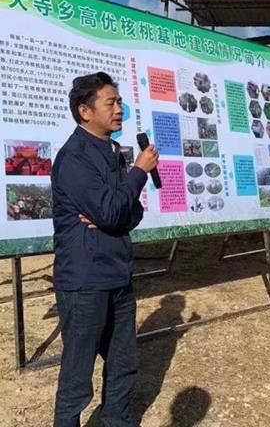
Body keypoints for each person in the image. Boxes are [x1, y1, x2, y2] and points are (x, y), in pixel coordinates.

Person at [51, 72, 159, 427]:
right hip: (85, 282)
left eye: (120, 102)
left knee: (123, 363)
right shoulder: (74, 157)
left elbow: (130, 213)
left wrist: (114, 212)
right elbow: (113, 210)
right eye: (110, 102)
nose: (119, 109)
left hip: (118, 275)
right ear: (85, 111)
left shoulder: (112, 153)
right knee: (77, 377)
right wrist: (139, 174)